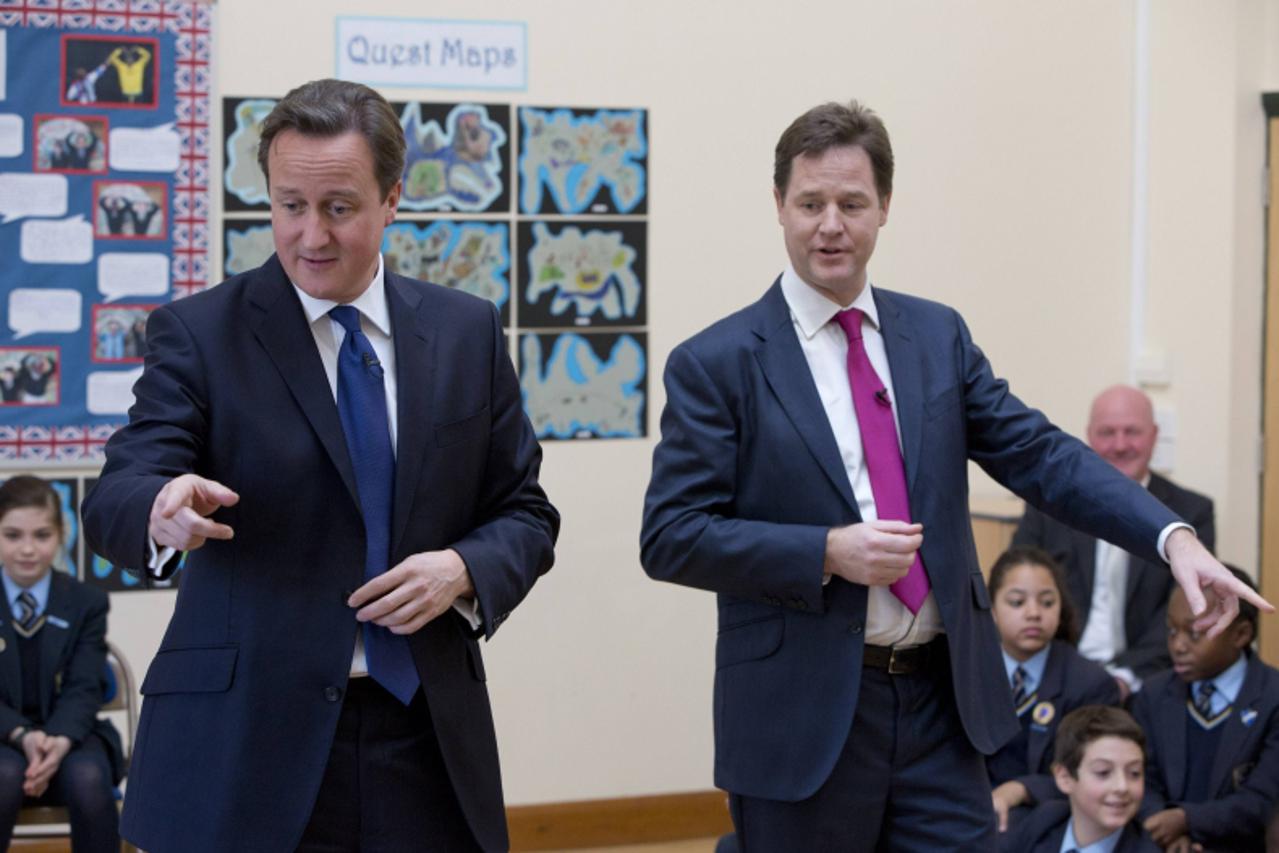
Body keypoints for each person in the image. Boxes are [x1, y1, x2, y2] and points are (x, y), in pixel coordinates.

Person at [638, 99, 1269, 851]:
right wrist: (826, 550)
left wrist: (1169, 537)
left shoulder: (934, 335)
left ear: (884, 207)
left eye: (851, 203)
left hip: (943, 701)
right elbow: (671, 534)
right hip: (802, 711)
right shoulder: (717, 361)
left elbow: (1041, 454)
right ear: (778, 205)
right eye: (809, 203)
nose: (829, 224)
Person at [81, 78, 559, 853]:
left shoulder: (465, 331)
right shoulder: (200, 333)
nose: (310, 235)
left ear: (392, 198)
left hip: (425, 733)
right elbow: (117, 492)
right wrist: (159, 505)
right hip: (249, 740)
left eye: (338, 207)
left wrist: (462, 567)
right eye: (287, 205)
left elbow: (525, 513)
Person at [1015, 385, 1216, 696]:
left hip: (1148, 682)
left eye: (1131, 432)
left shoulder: (1190, 513)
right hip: (1056, 674)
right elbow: (1016, 590)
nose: (1120, 445)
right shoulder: (1048, 507)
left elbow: (1187, 610)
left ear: (1153, 436)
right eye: (1107, 432)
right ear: (1089, 437)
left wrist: (1124, 679)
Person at [0, 476, 124, 853]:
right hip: (3, 739)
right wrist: (23, 735)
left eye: (41, 535)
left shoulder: (87, 601)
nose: (27, 549)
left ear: (61, 535)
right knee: (3, 776)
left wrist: (57, 740)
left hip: (72, 735)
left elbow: (85, 685)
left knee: (88, 778)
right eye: (12, 535)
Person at [1133, 566, 1279, 852]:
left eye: (1194, 633)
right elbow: (1141, 778)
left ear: (1240, 635)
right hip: (1163, 844)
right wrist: (1169, 830)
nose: (1177, 645)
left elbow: (1261, 800)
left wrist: (1187, 820)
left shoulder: (1273, 698)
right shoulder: (1152, 694)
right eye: (1172, 630)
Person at [987, 546, 1120, 833]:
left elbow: (1093, 774)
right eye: (1017, 602)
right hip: (972, 812)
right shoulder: (968, 672)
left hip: (1052, 820)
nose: (1034, 613)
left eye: (1047, 602)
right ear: (992, 609)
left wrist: (1020, 790)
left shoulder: (1091, 684)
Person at [999, 705, 1158, 853]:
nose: (1122, 787)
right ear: (1064, 777)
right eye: (1103, 772)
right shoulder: (1046, 820)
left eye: (1134, 773)